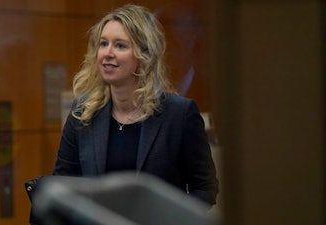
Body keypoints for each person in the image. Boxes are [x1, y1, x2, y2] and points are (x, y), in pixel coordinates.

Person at [52, 4, 218, 206]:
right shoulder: (83, 113)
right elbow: (63, 184)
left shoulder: (179, 114)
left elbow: (205, 187)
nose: (107, 53)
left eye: (120, 45)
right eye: (103, 44)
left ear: (145, 55)